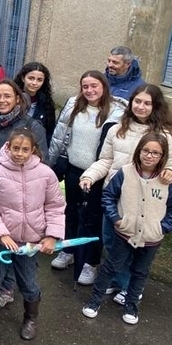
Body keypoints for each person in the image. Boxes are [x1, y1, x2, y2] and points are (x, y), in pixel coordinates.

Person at [78, 84, 172, 296]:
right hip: (116, 195)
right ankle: (118, 279)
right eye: (137, 101)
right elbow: (106, 160)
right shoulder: (116, 129)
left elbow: (169, 164)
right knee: (112, 242)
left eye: (147, 103)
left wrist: (169, 172)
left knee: (136, 246)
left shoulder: (165, 136)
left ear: (155, 106)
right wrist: (89, 176)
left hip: (146, 201)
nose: (141, 106)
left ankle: (130, 288)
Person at [0, 130, 65, 344]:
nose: (20, 154)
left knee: (29, 283)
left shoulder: (45, 174)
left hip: (31, 243)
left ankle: (31, 318)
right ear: (8, 147)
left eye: (25, 149)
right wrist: (1, 233)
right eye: (16, 148)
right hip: (2, 242)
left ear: (33, 149)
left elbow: (55, 206)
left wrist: (52, 235)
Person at [81, 133, 172, 325]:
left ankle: (131, 305)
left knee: (140, 272)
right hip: (124, 233)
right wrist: (115, 219)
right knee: (111, 266)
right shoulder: (125, 172)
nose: (149, 156)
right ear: (139, 151)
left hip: (151, 238)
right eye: (146, 151)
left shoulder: (167, 181)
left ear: (162, 156)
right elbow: (108, 196)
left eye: (155, 153)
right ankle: (94, 301)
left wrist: (163, 227)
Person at [46, 71, 126, 283]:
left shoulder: (116, 112)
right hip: (74, 169)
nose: (89, 90)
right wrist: (51, 162)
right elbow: (60, 135)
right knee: (71, 211)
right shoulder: (74, 105)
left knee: (92, 218)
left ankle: (91, 262)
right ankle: (69, 250)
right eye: (85, 86)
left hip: (98, 174)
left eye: (94, 86)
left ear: (104, 87)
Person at [0, 79, 49, 308]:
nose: (2, 100)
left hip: (20, 193)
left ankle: (6, 288)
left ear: (18, 98)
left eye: (7, 96)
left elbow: (41, 161)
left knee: (14, 242)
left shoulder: (31, 126)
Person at [14, 62, 57, 140]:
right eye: (31, 78)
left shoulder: (47, 104)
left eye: (39, 80)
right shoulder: (11, 99)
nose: (34, 83)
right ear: (23, 78)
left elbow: (49, 132)